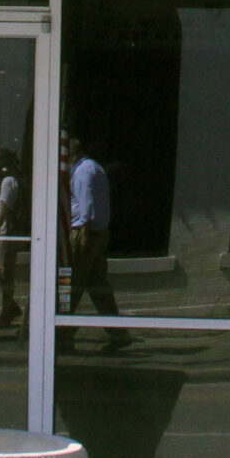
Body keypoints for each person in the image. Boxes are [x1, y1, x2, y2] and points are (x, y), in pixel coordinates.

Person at [60, 132, 129, 352]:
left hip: (85, 232)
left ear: (73, 154)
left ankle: (62, 334)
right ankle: (119, 333)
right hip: (96, 233)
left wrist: (84, 235)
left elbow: (87, 204)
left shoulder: (83, 171)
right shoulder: (94, 167)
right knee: (98, 286)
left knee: (70, 284)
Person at [0, 148, 24, 330]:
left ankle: (7, 311)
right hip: (4, 232)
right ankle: (11, 306)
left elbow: (4, 208)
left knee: (4, 271)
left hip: (6, 233)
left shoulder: (8, 181)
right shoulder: (8, 180)